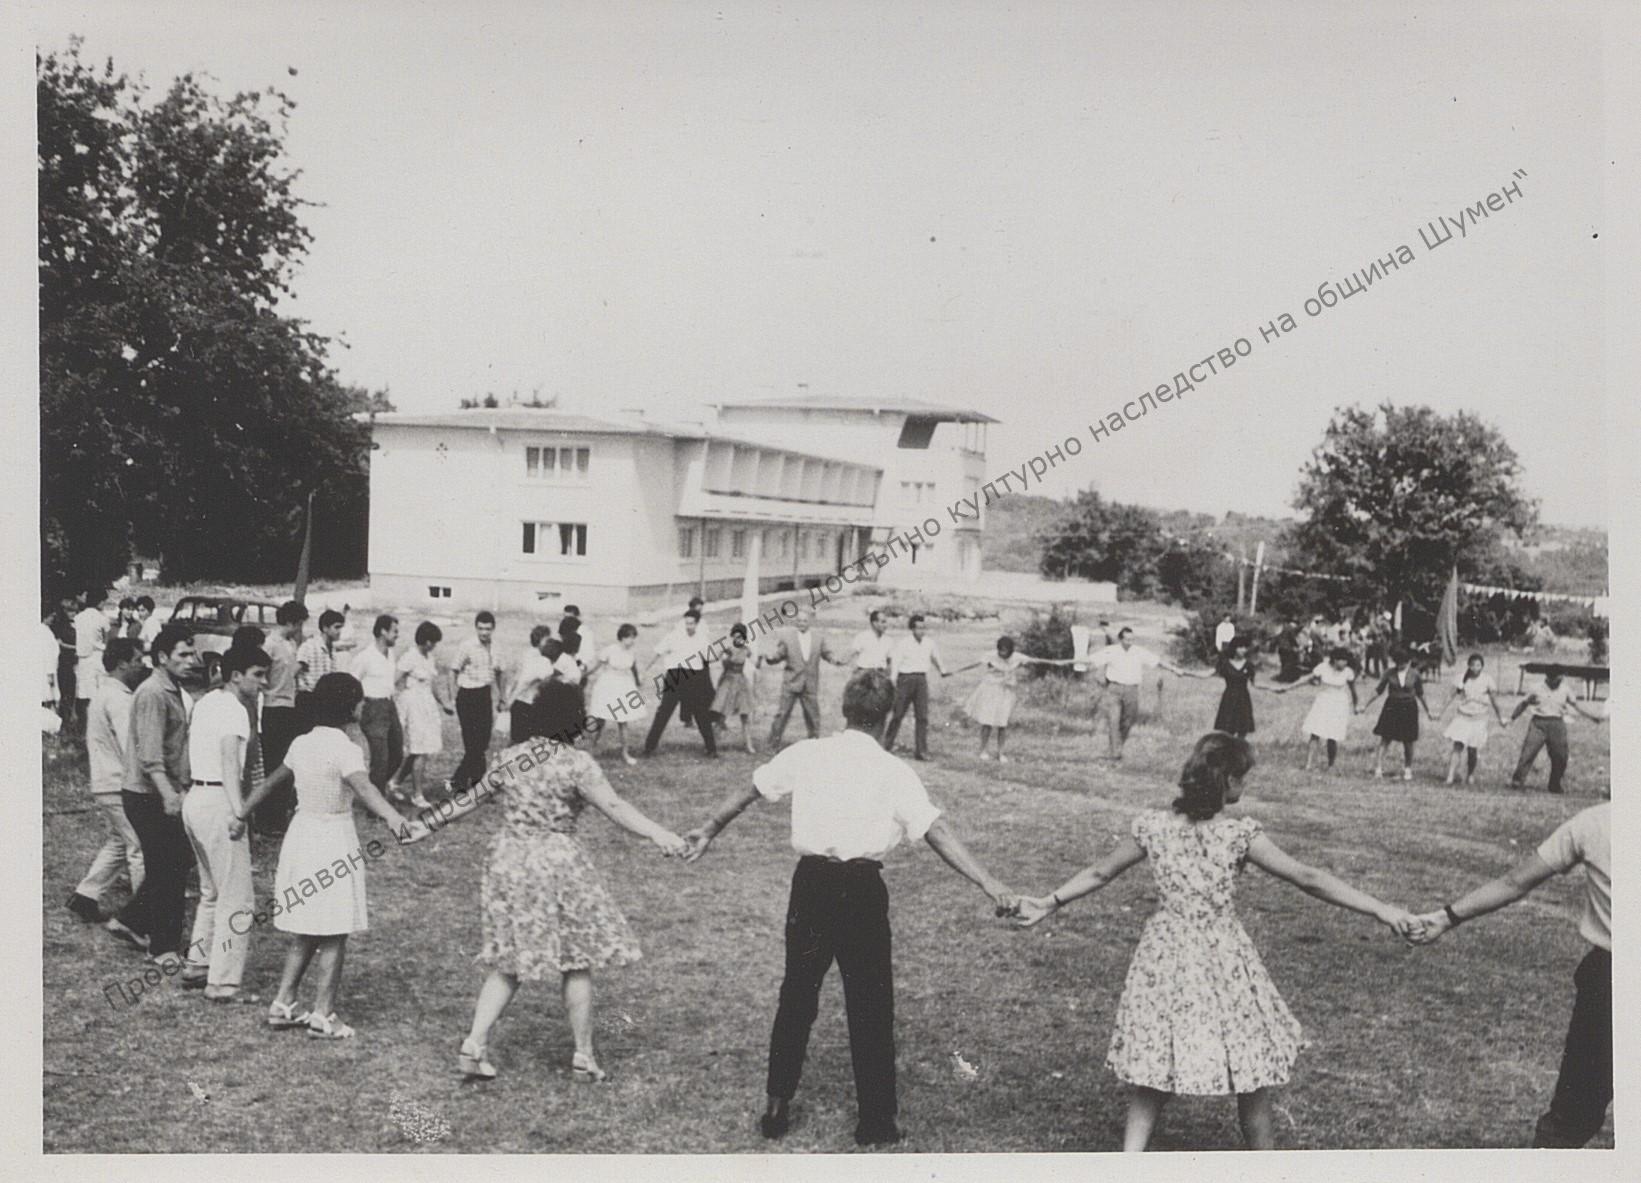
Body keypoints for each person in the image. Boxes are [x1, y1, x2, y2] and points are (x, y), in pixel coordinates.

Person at [1014, 733, 1415, 1151]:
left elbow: (1100, 872)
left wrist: (1050, 901)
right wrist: (1382, 909)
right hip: (1223, 958)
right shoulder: (1238, 835)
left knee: (1156, 1062)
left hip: (1165, 956)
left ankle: (1130, 1163)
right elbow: (1308, 877)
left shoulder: (1155, 828)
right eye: (1243, 778)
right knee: (1251, 1068)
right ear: (1228, 781)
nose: (1246, 785)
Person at [682, 669, 1018, 1147]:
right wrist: (989, 882)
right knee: (871, 1003)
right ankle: (876, 1120)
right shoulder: (893, 770)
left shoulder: (809, 753)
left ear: (844, 709)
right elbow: (936, 831)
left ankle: (777, 1105)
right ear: (887, 717)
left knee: (797, 994)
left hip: (811, 886)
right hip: (861, 891)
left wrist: (709, 828)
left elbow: (752, 789)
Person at [440, 681, 686, 1082]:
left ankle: (474, 1043)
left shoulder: (510, 757)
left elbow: (469, 800)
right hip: (557, 864)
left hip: (509, 861)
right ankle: (583, 1056)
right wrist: (658, 833)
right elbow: (614, 806)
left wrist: (425, 825)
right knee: (576, 959)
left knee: (509, 960)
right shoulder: (577, 764)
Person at [1406, 802, 1611, 1146]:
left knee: (1573, 1117)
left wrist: (1446, 917)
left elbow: (1515, 882)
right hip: (1607, 987)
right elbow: (1514, 882)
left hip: (1609, 983)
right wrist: (1446, 917)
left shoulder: (1596, 821)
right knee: (1574, 1115)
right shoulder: (1594, 823)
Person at [240, 673, 427, 1039]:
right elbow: (365, 789)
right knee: (335, 930)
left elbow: (270, 783)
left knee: (308, 927)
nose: (363, 705)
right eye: (359, 700)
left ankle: (283, 1003)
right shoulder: (347, 748)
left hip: (301, 837)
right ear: (350, 706)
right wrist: (397, 821)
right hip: (331, 840)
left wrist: (241, 814)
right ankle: (323, 1014)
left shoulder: (301, 743)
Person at [180, 645, 268, 1000]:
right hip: (219, 801)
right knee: (238, 899)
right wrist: (239, 811)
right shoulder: (235, 710)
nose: (263, 682)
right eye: (257, 675)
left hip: (195, 799)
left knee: (212, 891)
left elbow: (188, 756)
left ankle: (198, 964)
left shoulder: (205, 702)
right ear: (235, 676)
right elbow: (230, 764)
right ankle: (223, 982)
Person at [108, 625, 198, 964]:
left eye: (192, 654)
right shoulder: (153, 693)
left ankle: (131, 919)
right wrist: (169, 795)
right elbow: (150, 754)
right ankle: (162, 947)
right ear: (162, 657)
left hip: (163, 790)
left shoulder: (172, 689)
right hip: (148, 794)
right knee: (168, 868)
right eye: (183, 655)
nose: (191, 661)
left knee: (177, 860)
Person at [66, 638, 147, 926]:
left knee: (119, 841)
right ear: (122, 663)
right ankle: (143, 915)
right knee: (139, 846)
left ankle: (85, 896)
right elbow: (131, 746)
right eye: (138, 660)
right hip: (118, 782)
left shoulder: (105, 693)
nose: (142, 666)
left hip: (106, 780)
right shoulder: (119, 699)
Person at [957, 635, 1069, 761]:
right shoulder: (990, 656)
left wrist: (1057, 662)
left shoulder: (1017, 657)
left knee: (1002, 723)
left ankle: (1001, 753)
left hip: (1006, 692)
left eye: (1005, 651)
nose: (1002, 653)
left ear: (1010, 651)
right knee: (987, 722)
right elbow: (973, 664)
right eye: (1001, 651)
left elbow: (1036, 660)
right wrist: (953, 671)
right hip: (990, 691)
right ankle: (983, 750)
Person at [1087, 627, 1186, 761]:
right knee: (1113, 721)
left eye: (1131, 640)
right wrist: (1068, 662)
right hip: (1114, 690)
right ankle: (1114, 753)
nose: (1129, 642)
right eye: (1127, 639)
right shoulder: (1111, 651)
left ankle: (1118, 746)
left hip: (1131, 690)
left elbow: (1157, 661)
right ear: (1120, 639)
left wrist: (1174, 669)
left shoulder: (1138, 651)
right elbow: (1091, 660)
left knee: (1128, 720)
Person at [256, 600, 309, 836]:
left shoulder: (290, 644)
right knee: (274, 765)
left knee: (288, 765)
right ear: (289, 622)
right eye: (298, 624)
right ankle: (268, 819)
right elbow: (260, 674)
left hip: (289, 707)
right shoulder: (270, 645)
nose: (299, 629)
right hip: (273, 708)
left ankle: (279, 815)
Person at [1508, 668, 1604, 794]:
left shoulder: (1565, 689)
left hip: (1557, 723)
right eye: (1557, 679)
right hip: (1538, 723)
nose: (1559, 681)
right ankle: (1517, 781)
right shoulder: (1536, 688)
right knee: (1528, 753)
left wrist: (1592, 716)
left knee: (1561, 756)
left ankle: (1554, 784)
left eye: (1561, 678)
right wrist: (1512, 717)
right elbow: (1523, 704)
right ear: (1549, 678)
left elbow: (1576, 705)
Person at [391, 621, 452, 810]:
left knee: (420, 749)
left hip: (427, 706)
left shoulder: (429, 657)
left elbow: (432, 685)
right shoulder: (410, 657)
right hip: (413, 706)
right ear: (426, 641)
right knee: (420, 750)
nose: (434, 646)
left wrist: (444, 703)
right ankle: (417, 794)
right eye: (433, 642)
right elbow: (393, 680)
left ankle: (394, 782)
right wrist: (401, 701)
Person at [763, 608, 844, 750]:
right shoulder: (788, 638)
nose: (801, 623)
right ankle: (772, 743)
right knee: (782, 713)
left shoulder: (818, 638)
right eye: (799, 621)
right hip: (791, 682)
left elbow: (827, 654)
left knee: (813, 715)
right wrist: (770, 658)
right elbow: (778, 655)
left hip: (810, 683)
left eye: (804, 621)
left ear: (810, 621)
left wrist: (835, 660)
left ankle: (814, 743)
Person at [642, 610, 718, 758]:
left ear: (697, 624)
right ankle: (649, 748)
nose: (688, 626)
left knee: (701, 713)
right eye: (686, 623)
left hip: (694, 677)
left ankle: (711, 749)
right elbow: (658, 652)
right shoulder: (673, 636)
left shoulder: (702, 639)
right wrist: (645, 670)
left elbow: (710, 659)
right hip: (675, 677)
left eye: (692, 623)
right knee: (664, 712)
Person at [1270, 647, 1358, 771]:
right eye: (1342, 660)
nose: (1345, 663)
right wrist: (1287, 688)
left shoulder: (1348, 672)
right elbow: (1306, 679)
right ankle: (1309, 764)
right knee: (1315, 732)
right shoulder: (1323, 667)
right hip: (1323, 701)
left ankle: (1331, 765)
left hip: (1338, 704)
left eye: (1346, 660)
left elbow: (1353, 691)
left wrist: (1356, 706)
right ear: (1334, 660)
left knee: (1333, 736)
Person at [1358, 646, 1433, 780]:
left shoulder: (1415, 674)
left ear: (1408, 662)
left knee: (1408, 741)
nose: (1400, 666)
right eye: (1397, 663)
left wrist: (1428, 711)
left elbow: (1421, 694)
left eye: (1403, 663)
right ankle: (1378, 768)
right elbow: (1378, 690)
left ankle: (1408, 769)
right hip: (1392, 708)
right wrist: (1365, 705)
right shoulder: (1389, 673)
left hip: (1409, 708)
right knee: (1385, 738)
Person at [883, 613, 951, 761]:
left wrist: (942, 670)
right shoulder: (904, 643)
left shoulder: (929, 643)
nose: (922, 631)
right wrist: (893, 679)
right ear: (912, 629)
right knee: (898, 714)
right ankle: (886, 746)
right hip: (905, 680)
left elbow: (935, 658)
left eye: (923, 628)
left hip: (921, 680)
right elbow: (896, 662)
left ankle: (921, 751)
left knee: (922, 716)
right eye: (919, 628)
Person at [450, 611, 505, 792]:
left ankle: (462, 779)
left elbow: (500, 673)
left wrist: (502, 696)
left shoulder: (497, 647)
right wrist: (452, 696)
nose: (484, 633)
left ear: (493, 629)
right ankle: (473, 782)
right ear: (476, 628)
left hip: (484, 695)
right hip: (467, 696)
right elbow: (453, 670)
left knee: (483, 742)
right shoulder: (467, 646)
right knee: (472, 742)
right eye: (480, 629)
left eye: (487, 629)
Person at [350, 614, 404, 794]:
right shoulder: (365, 657)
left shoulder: (391, 654)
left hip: (389, 706)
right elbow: (352, 683)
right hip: (372, 708)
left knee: (397, 754)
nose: (397, 635)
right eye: (394, 631)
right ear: (383, 631)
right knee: (380, 759)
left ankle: (373, 791)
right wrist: (358, 708)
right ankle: (376, 800)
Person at [1437, 653, 1505, 786]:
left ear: (1482, 666)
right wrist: (1440, 712)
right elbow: (1450, 696)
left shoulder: (1487, 680)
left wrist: (1500, 718)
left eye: (1478, 665)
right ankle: (1450, 776)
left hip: (1479, 718)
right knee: (1457, 746)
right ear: (1468, 665)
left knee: (1472, 750)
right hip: (1463, 717)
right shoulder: (1461, 679)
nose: (1475, 668)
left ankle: (1470, 774)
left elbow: (1494, 701)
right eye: (1473, 665)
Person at [585, 623, 647, 764]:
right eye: (629, 637)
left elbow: (634, 669)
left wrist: (638, 682)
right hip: (608, 686)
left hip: (624, 686)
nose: (632, 641)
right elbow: (596, 666)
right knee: (600, 720)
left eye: (633, 637)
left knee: (623, 721)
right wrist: (583, 675)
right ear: (622, 637)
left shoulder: (632, 653)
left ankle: (625, 753)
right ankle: (591, 750)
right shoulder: (610, 650)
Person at [1178, 635, 1258, 739]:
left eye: (1245, 647)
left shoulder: (1249, 665)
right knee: (1228, 733)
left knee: (1242, 732)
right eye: (1240, 647)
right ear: (1234, 648)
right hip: (1229, 699)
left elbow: (1256, 684)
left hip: (1243, 700)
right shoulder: (1224, 664)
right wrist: (1185, 673)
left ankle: (1239, 749)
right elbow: (1206, 674)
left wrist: (1276, 689)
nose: (1244, 650)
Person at [710, 623, 758, 754]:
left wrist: (761, 659)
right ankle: (711, 744)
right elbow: (718, 660)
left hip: (741, 683)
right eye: (735, 637)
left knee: (745, 715)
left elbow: (755, 663)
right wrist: (724, 657)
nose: (738, 639)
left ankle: (748, 745)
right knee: (722, 715)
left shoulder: (747, 650)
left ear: (744, 637)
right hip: (728, 682)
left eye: (740, 637)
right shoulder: (728, 649)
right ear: (732, 637)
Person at [295, 609, 346, 731]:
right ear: (325, 628)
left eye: (341, 627)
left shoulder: (332, 649)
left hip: (325, 700)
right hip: (309, 699)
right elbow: (295, 671)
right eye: (336, 627)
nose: (339, 631)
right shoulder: (309, 646)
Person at [506, 626, 557, 744]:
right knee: (528, 741)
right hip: (530, 703)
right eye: (547, 640)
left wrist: (511, 697)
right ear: (540, 640)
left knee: (517, 739)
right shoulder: (542, 660)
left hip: (519, 701)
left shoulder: (527, 654)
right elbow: (528, 681)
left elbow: (517, 677)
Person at [73, 587, 113, 731]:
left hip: (83, 658)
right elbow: (107, 638)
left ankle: (86, 725)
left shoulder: (78, 618)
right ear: (100, 601)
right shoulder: (102, 618)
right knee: (99, 691)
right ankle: (100, 725)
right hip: (97, 656)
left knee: (84, 693)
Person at [47, 589, 81, 727]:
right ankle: (64, 719)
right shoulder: (60, 626)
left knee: (73, 690)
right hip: (64, 661)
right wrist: (76, 648)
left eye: (75, 611)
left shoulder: (75, 624)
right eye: (70, 611)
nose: (73, 614)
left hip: (73, 661)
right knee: (65, 689)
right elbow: (60, 644)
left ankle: (71, 717)